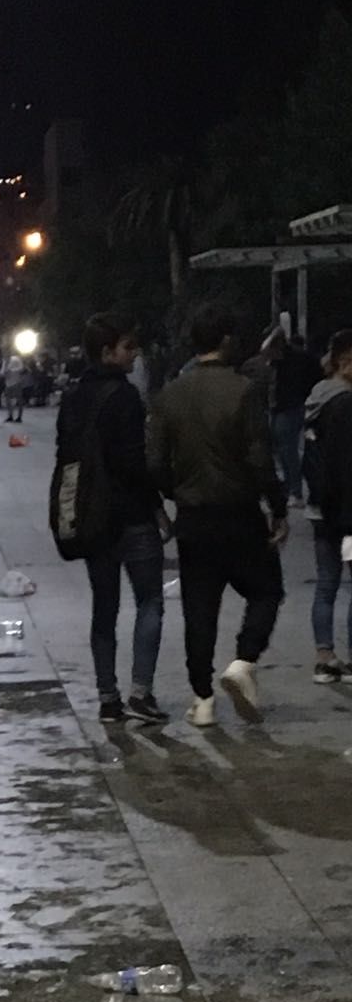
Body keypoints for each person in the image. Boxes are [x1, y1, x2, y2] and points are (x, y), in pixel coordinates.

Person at [148, 303, 288, 724]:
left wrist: (174, 493)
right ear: (226, 340)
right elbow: (260, 458)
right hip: (240, 513)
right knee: (266, 590)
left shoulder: (169, 395)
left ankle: (202, 699)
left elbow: (154, 462)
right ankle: (243, 662)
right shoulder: (245, 390)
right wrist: (278, 508)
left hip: (193, 516)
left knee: (199, 609)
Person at [56, 314, 168, 723]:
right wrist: (158, 507)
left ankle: (108, 698)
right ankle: (142, 691)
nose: (134, 353)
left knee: (104, 608)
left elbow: (65, 459)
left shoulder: (72, 398)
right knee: (150, 600)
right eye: (127, 347)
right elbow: (135, 464)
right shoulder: (125, 397)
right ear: (107, 352)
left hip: (92, 519)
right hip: (132, 516)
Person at [305, 328, 352, 681]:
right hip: (347, 512)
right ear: (344, 361)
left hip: (320, 510)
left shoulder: (316, 399)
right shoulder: (345, 403)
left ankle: (324, 656)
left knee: (326, 583)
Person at [269, 332, 322, 506]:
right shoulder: (292, 359)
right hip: (285, 404)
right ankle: (292, 487)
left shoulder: (292, 360)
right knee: (284, 448)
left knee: (287, 448)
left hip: (290, 405)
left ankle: (294, 489)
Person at [2, 355, 27, 422]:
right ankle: (10, 415)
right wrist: (4, 373)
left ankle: (19, 416)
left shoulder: (16, 359)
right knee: (8, 400)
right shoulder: (5, 361)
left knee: (19, 399)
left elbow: (22, 369)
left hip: (16, 382)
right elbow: (2, 372)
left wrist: (12, 371)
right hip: (8, 383)